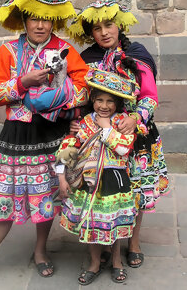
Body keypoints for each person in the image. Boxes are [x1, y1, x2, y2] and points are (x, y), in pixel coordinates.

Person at [0, 0, 89, 286]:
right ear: (24, 20)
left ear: (53, 23)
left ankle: (40, 251)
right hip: (17, 134)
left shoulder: (65, 50)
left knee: (46, 194)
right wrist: (22, 83)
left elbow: (84, 88)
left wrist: (55, 97)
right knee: (5, 195)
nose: (40, 25)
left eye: (46, 20)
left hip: (52, 133)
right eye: (34, 18)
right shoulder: (9, 51)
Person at [68, 0, 169, 269]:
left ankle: (133, 242)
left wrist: (135, 117)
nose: (104, 32)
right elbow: (80, 98)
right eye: (97, 28)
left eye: (109, 25)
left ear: (118, 25)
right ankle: (104, 238)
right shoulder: (86, 60)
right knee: (105, 191)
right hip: (98, 139)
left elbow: (149, 96)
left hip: (136, 136)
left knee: (135, 190)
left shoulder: (137, 54)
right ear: (90, 33)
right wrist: (76, 122)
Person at [56, 68, 140, 285]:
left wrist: (105, 128)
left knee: (114, 222)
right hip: (89, 183)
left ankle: (116, 260)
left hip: (115, 182)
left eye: (110, 101)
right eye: (99, 100)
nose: (104, 106)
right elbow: (70, 147)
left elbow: (123, 149)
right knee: (92, 223)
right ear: (92, 100)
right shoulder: (84, 123)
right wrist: (62, 177)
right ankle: (94, 262)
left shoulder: (123, 122)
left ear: (118, 103)